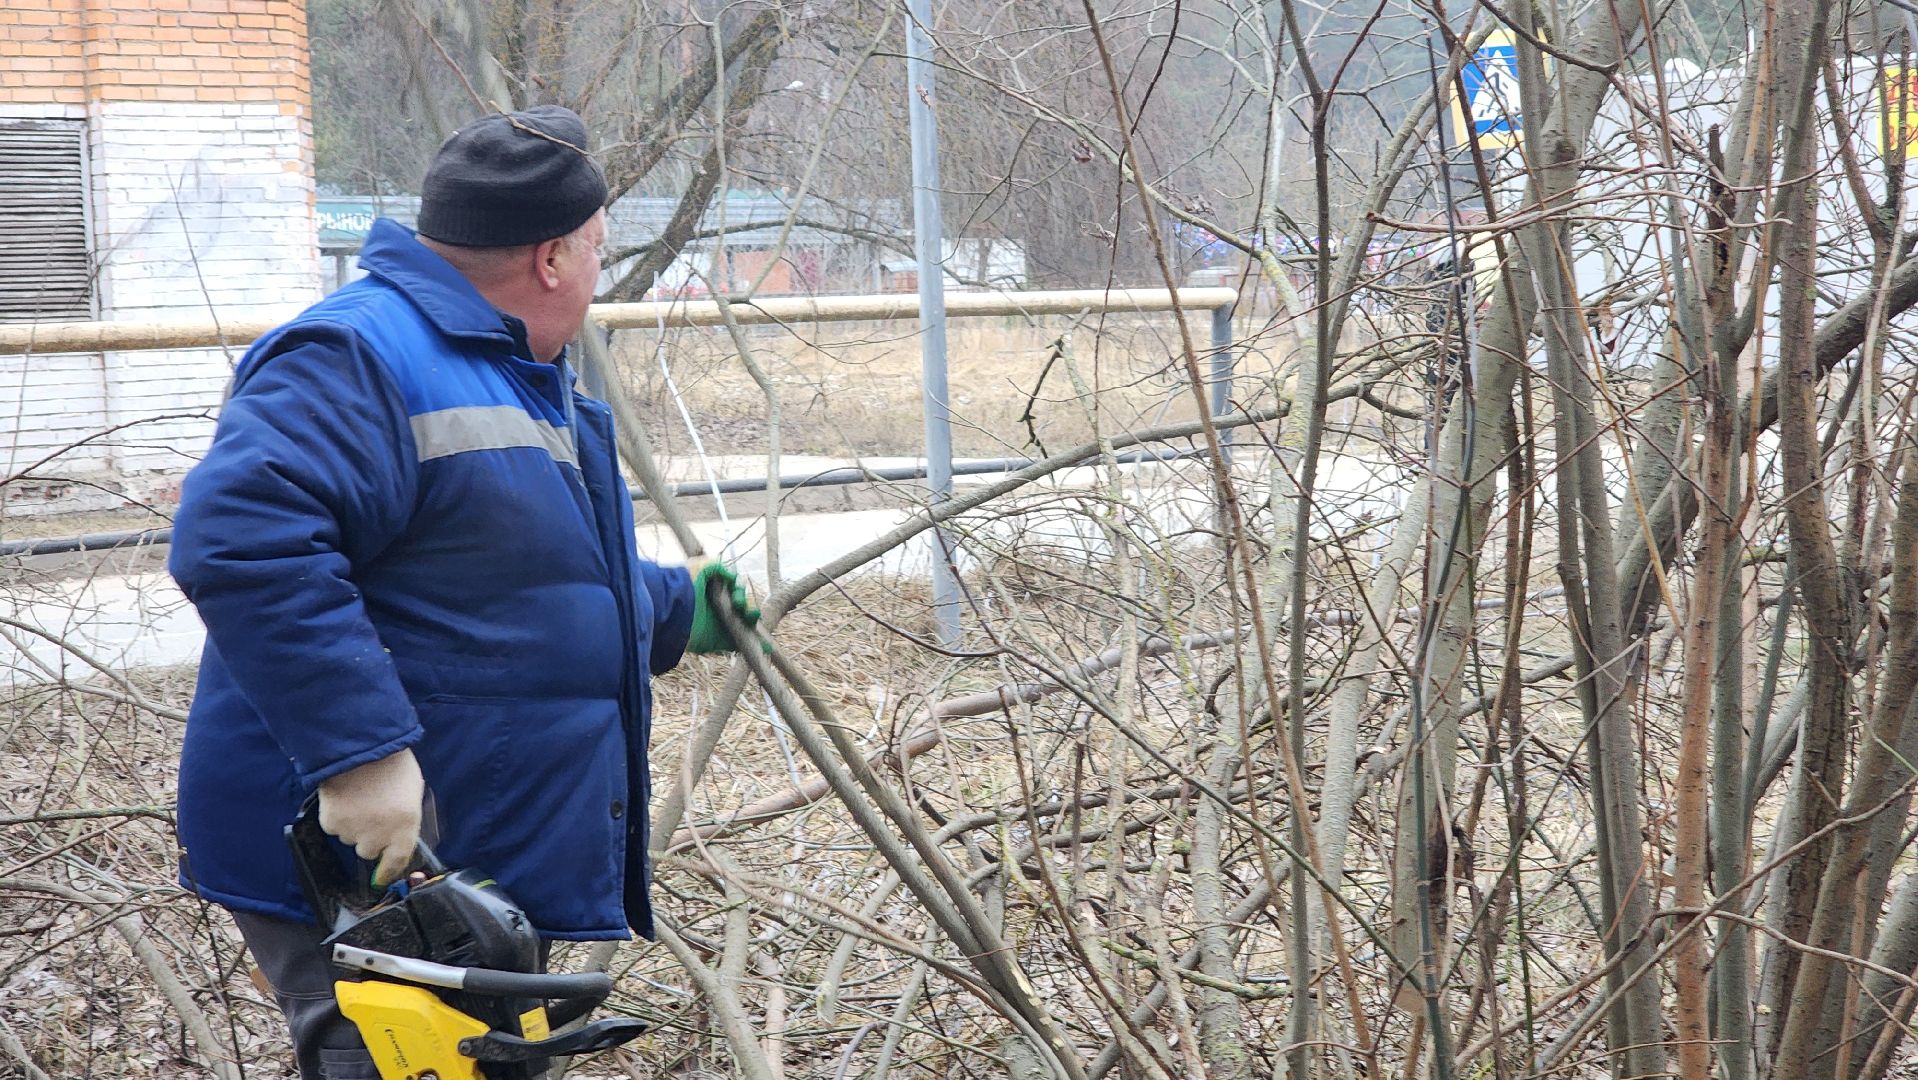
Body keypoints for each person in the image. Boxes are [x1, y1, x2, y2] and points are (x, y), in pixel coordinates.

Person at [168, 105, 757, 1079]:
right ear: (555, 258)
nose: (599, 274)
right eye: (599, 249)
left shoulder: (505, 368)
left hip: (469, 843)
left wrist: (667, 609)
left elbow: (502, 580)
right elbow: (240, 537)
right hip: (369, 867)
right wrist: (359, 755)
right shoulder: (358, 356)